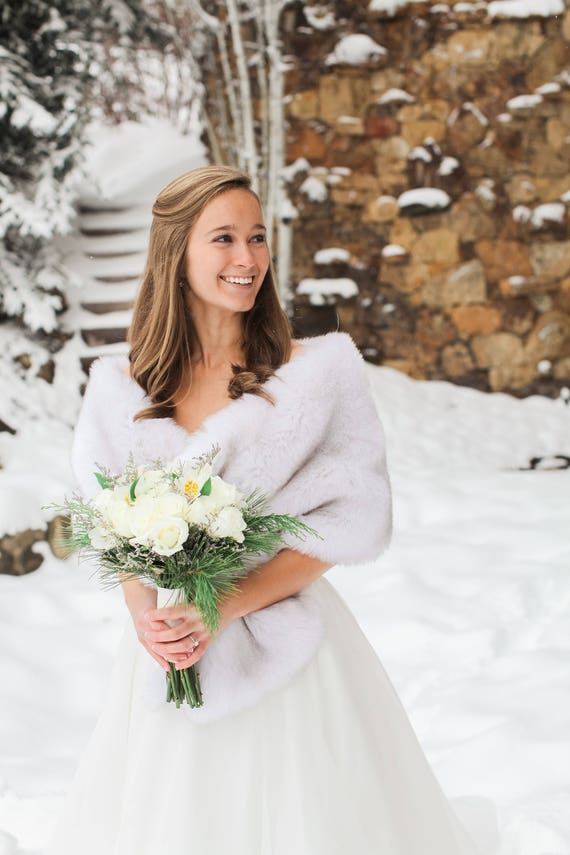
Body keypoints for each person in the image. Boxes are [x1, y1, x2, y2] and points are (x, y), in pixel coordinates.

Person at [46, 165, 485, 854]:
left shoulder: (317, 375)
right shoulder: (120, 390)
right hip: (171, 656)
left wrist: (224, 603)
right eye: (223, 238)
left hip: (290, 642)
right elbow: (113, 528)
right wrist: (150, 624)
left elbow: (349, 520)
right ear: (176, 252)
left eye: (257, 237)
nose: (247, 258)